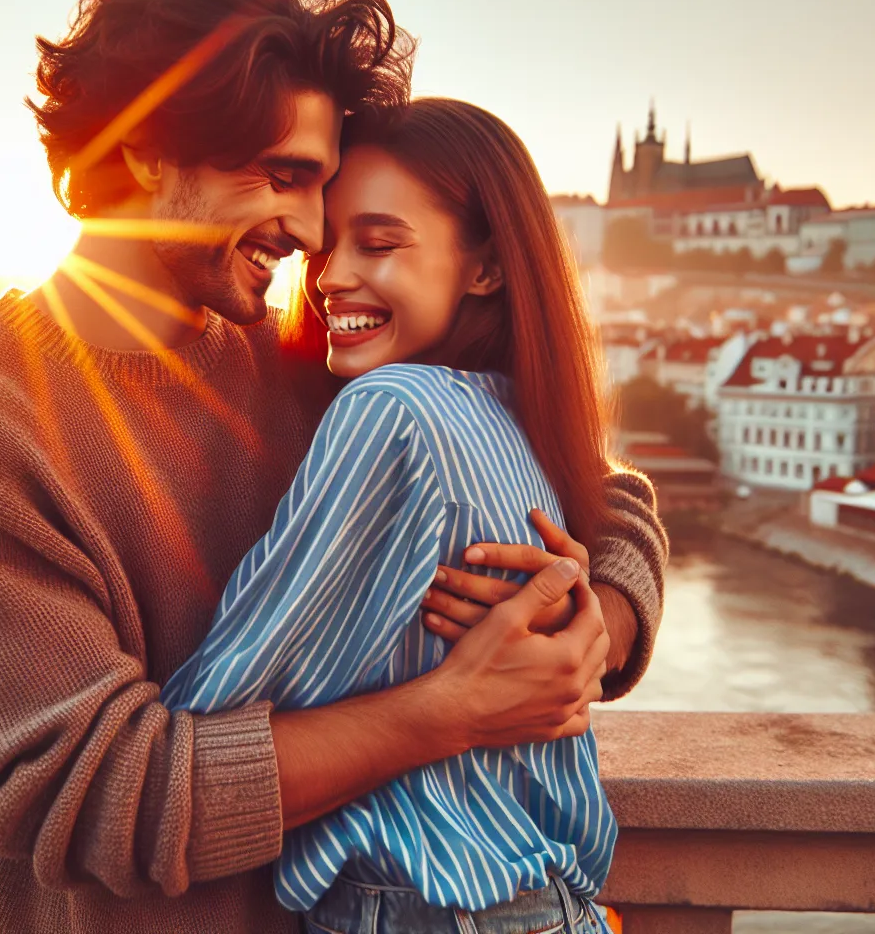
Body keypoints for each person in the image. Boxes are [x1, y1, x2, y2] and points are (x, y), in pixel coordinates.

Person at [0, 0, 665, 934]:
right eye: (282, 176)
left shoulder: (301, 361)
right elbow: (107, 806)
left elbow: (598, 489)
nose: (308, 232)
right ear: (139, 149)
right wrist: (451, 711)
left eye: (323, 191)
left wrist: (595, 621)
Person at [161, 97, 626, 933]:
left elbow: (210, 714)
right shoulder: (516, 414)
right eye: (329, 244)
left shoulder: (391, 409)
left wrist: (26, 742)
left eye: (378, 243)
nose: (331, 274)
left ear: (485, 266)